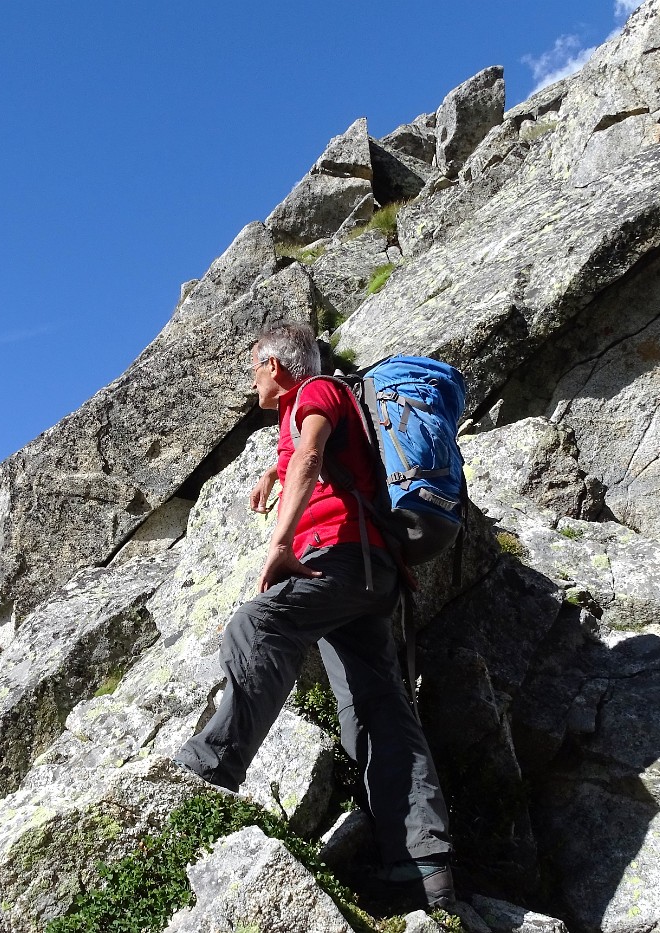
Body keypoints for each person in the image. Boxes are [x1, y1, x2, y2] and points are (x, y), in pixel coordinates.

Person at [174, 321, 455, 910]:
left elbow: (311, 451)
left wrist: (280, 540)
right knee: (375, 710)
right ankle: (422, 868)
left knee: (259, 624)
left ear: (275, 366)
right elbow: (305, 454)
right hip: (376, 575)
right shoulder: (313, 405)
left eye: (254, 367)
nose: (253, 380)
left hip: (342, 559)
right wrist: (276, 468)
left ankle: (209, 771)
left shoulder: (315, 391)